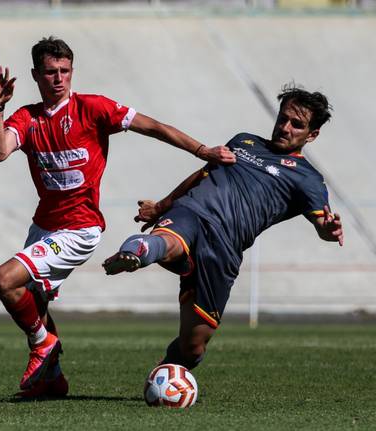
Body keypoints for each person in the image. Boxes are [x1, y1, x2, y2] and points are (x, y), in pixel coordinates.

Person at [0, 36, 235, 398]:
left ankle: (44, 347)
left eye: (65, 71)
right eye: (50, 72)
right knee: (34, 301)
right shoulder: (28, 118)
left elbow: (154, 127)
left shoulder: (94, 108)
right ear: (35, 75)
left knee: (5, 279)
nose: (59, 78)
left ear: (72, 72)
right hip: (44, 226)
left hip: (80, 227)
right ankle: (51, 379)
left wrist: (202, 150)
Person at [103, 85, 343, 372]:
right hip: (193, 212)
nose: (284, 127)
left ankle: (167, 372)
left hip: (224, 250)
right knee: (168, 241)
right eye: (282, 118)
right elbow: (203, 174)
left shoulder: (308, 180)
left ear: (312, 134)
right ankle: (139, 250)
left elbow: (322, 226)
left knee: (193, 347)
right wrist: (161, 207)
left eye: (296, 124)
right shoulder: (244, 142)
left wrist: (330, 230)